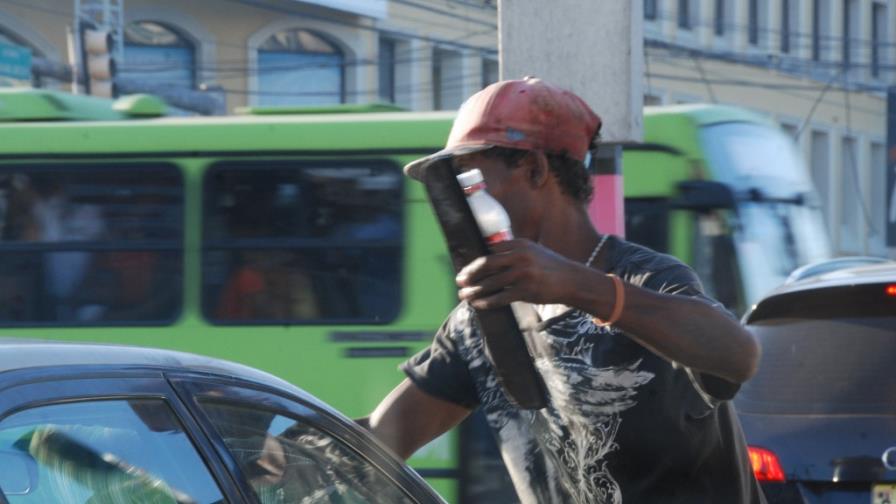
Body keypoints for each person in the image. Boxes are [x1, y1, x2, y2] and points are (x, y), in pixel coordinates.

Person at [358, 78, 765, 504]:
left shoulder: (644, 277)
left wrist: (576, 286)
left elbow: (738, 355)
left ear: (535, 169)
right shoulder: (481, 321)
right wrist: (308, 452)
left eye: (471, 184)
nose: (458, 205)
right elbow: (382, 440)